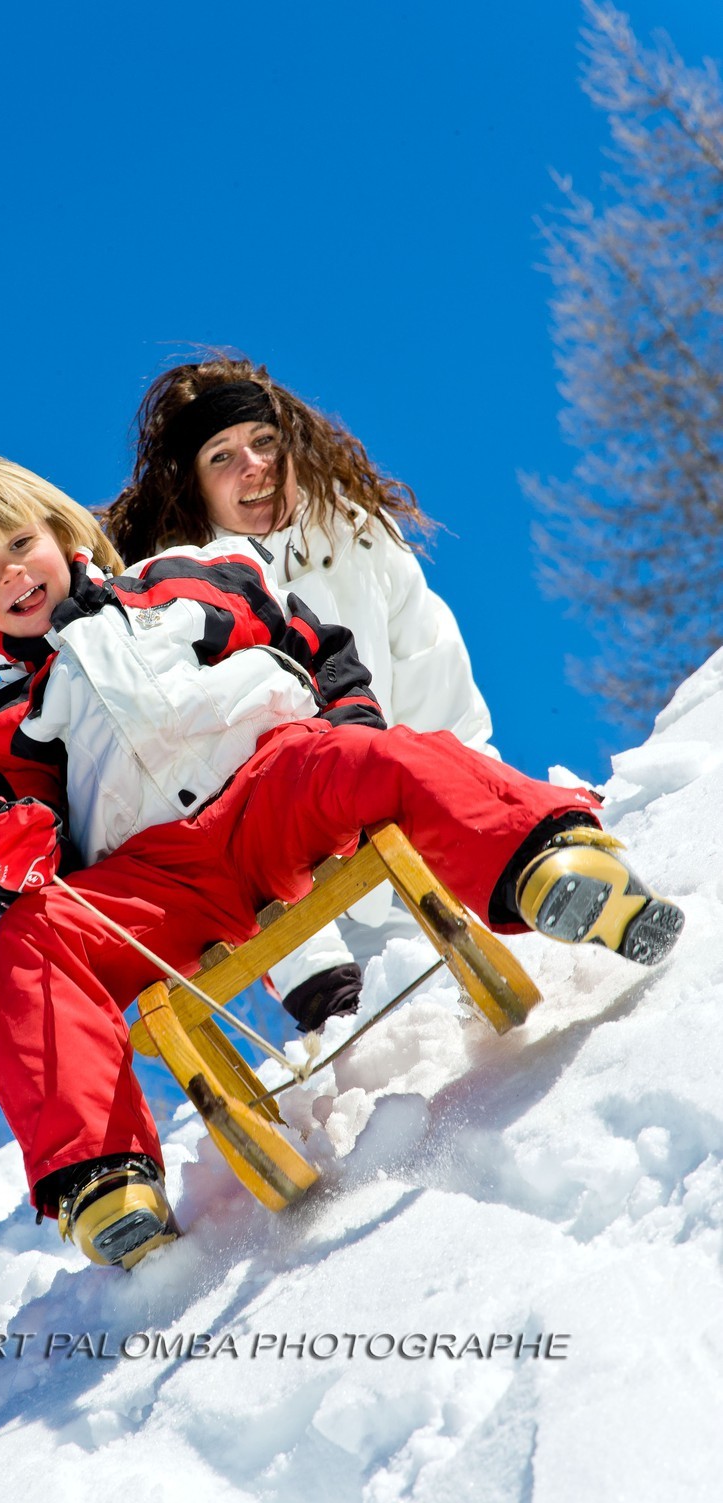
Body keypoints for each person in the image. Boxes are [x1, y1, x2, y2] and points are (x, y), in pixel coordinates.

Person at [0, 456, 683, 1272]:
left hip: (272, 783)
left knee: (391, 759)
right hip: (157, 877)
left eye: (20, 543)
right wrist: (13, 849)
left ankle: (550, 864)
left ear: (62, 532)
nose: (12, 575)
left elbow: (315, 646)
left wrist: (349, 729)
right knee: (32, 942)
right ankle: (103, 1178)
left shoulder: (189, 580)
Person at [105, 357, 499, 1032]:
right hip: (307, 898)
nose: (251, 466)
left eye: (263, 442)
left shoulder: (360, 539)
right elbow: (205, 793)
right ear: (194, 488)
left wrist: (479, 818)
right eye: (221, 455)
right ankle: (332, 1007)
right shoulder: (175, 607)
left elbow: (436, 681)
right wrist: (310, 967)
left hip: (415, 834)